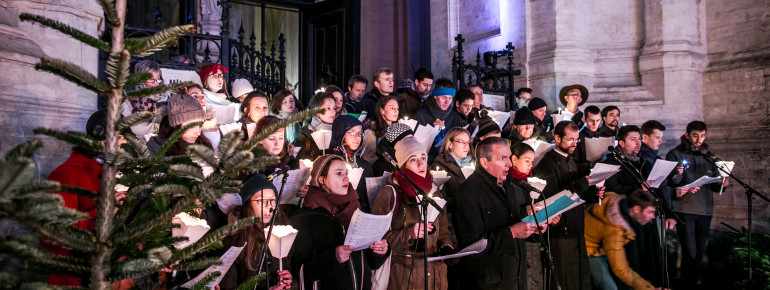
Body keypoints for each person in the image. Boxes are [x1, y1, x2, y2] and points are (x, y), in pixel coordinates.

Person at [43, 110, 128, 286]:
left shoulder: (119, 173)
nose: (125, 142)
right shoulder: (65, 175)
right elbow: (51, 236)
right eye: (120, 136)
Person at [289, 154, 390, 290]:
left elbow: (371, 264)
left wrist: (379, 251)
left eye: (346, 173)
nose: (346, 178)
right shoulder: (304, 218)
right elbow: (300, 272)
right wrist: (333, 257)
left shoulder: (358, 211)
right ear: (321, 180)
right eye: (338, 173)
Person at [454, 137, 541, 289]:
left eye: (509, 157)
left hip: (515, 275)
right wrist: (512, 232)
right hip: (489, 281)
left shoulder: (507, 185)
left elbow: (511, 220)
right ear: (484, 162)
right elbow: (471, 245)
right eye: (502, 158)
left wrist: (532, 228)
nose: (509, 164)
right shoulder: (467, 193)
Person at [372, 136, 453, 289]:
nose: (421, 163)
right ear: (403, 165)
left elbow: (443, 233)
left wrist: (446, 247)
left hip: (435, 277)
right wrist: (409, 233)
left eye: (423, 157)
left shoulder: (435, 193)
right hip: (404, 278)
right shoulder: (389, 194)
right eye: (413, 159)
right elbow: (377, 240)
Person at [532, 121, 604, 290]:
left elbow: (577, 195)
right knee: (566, 279)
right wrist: (582, 184)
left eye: (577, 139)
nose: (574, 143)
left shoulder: (570, 160)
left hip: (576, 227)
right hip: (561, 231)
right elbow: (552, 199)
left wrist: (593, 195)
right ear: (557, 138)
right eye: (570, 139)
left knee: (580, 276)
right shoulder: (547, 165)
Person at [665, 121, 729, 288]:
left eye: (702, 136)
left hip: (705, 210)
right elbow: (668, 184)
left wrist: (722, 183)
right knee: (690, 252)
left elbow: (715, 185)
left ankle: (693, 282)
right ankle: (688, 284)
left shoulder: (709, 156)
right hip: (684, 209)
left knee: (699, 252)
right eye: (695, 135)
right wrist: (678, 174)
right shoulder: (675, 154)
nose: (699, 139)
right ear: (687, 135)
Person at [600, 125, 664, 288]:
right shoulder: (611, 163)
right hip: (625, 223)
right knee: (632, 265)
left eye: (639, 139)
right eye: (633, 139)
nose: (638, 143)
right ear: (621, 143)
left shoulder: (643, 162)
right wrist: (637, 188)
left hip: (646, 221)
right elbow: (611, 190)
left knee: (649, 264)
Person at [219, 174, 293, 290]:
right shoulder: (234, 241)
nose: (269, 206)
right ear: (248, 204)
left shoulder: (281, 232)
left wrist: (288, 283)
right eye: (261, 201)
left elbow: (290, 273)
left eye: (272, 200)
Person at [508, 142, 562, 290]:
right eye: (527, 161)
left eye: (532, 161)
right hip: (519, 245)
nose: (530, 165)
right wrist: (526, 211)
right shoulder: (508, 184)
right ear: (514, 159)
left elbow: (538, 208)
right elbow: (509, 215)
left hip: (535, 243)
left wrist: (550, 217)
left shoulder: (532, 182)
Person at [584, 190, 659, 290]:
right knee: (610, 287)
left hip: (598, 245)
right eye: (650, 212)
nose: (653, 217)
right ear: (636, 209)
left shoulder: (616, 199)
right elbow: (621, 269)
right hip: (588, 250)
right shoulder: (614, 231)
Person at [329, 115, 374, 212]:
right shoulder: (330, 162)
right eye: (353, 133)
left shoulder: (364, 165)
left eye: (359, 133)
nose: (357, 137)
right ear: (341, 134)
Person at [147, 94, 212, 156]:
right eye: (192, 126)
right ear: (176, 125)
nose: (198, 133)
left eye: (200, 125)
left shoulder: (203, 145)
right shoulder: (156, 147)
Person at [640, 120, 676, 230]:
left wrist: (668, 213)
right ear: (645, 137)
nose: (661, 141)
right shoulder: (640, 159)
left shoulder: (656, 159)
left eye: (661, 137)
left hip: (657, 211)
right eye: (657, 137)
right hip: (644, 213)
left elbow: (663, 187)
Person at [121, 60, 168, 140]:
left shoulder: (165, 100)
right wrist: (158, 127)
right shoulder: (129, 102)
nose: (156, 83)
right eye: (151, 79)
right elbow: (135, 130)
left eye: (158, 78)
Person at [431, 127, 473, 213]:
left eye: (467, 142)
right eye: (462, 142)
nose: (466, 146)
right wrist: (465, 201)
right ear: (450, 144)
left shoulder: (473, 163)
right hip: (455, 216)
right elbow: (440, 199)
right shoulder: (439, 167)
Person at [294, 92, 336, 160]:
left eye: (334, 108)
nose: (333, 111)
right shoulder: (304, 138)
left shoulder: (337, 134)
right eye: (328, 108)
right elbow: (297, 163)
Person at [361, 94, 400, 165]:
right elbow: (368, 159)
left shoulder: (398, 130)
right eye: (392, 108)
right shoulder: (371, 132)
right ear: (382, 111)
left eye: (397, 108)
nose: (396, 111)